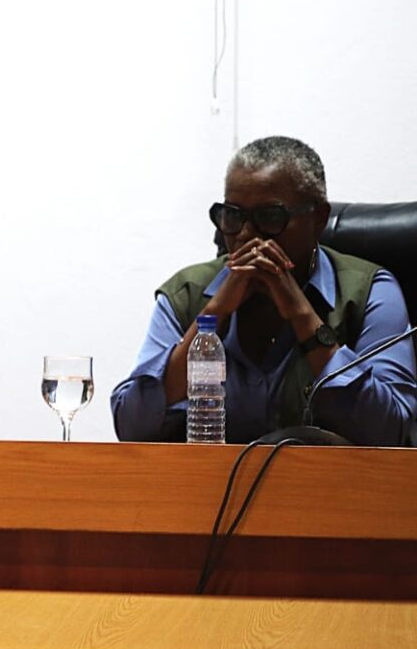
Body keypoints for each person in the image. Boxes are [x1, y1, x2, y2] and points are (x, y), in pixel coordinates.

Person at [111, 136, 415, 445]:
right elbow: (131, 426)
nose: (246, 235)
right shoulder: (187, 292)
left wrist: (303, 317)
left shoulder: (370, 290)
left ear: (318, 218)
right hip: (210, 476)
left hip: (331, 476)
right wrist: (215, 312)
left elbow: (392, 432)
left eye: (270, 217)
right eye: (233, 215)